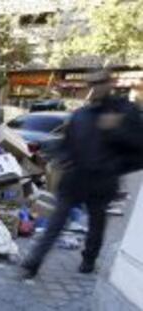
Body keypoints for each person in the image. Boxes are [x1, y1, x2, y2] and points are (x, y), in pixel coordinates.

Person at [21, 69, 143, 278]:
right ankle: (34, 261)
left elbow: (139, 148)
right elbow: (65, 143)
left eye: (100, 82)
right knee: (57, 220)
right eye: (91, 83)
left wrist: (115, 132)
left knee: (96, 224)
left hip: (102, 181)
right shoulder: (80, 115)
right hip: (74, 179)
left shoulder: (125, 112)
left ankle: (89, 260)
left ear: (110, 83)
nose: (95, 87)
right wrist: (64, 159)